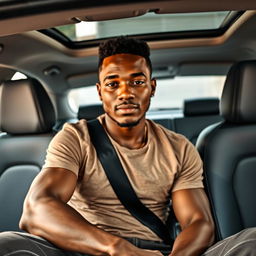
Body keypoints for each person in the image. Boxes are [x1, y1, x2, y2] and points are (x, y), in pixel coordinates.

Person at [0, 36, 255, 256]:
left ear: (151, 87)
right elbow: (37, 209)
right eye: (113, 84)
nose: (126, 93)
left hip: (156, 251)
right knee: (7, 243)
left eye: (137, 81)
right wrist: (117, 248)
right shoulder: (75, 138)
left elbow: (198, 222)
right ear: (100, 92)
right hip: (84, 248)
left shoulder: (179, 148)